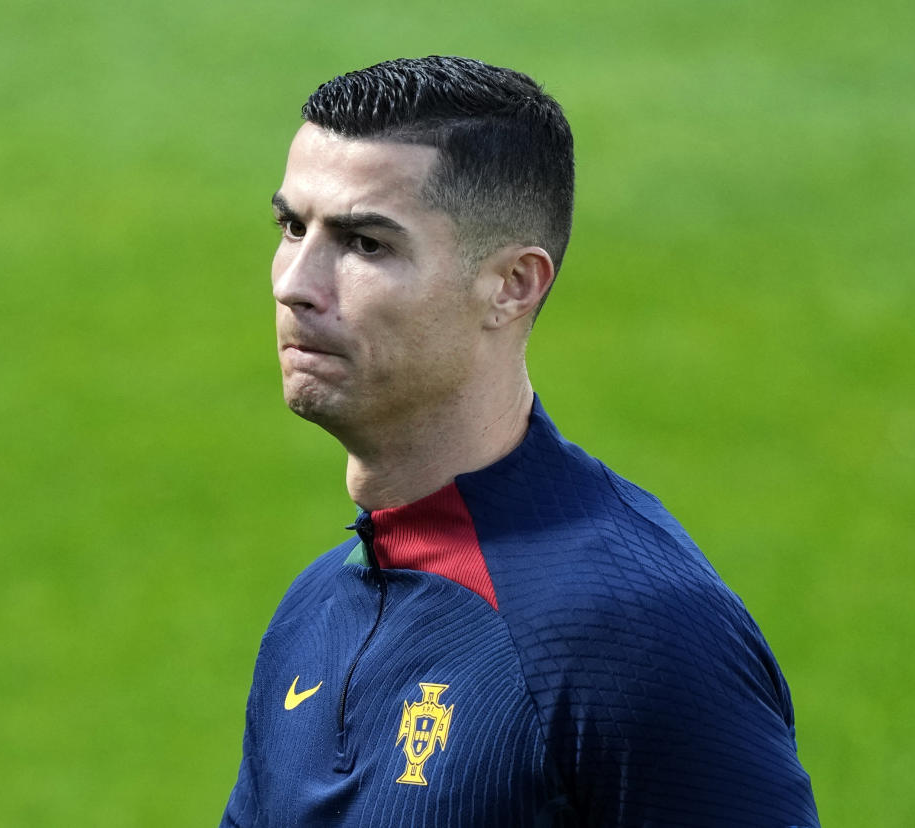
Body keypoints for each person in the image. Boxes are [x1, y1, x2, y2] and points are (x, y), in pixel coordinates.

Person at [221, 56, 819, 827]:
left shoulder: (633, 636)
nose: (295, 283)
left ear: (511, 286)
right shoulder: (316, 610)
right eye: (293, 227)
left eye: (366, 244)